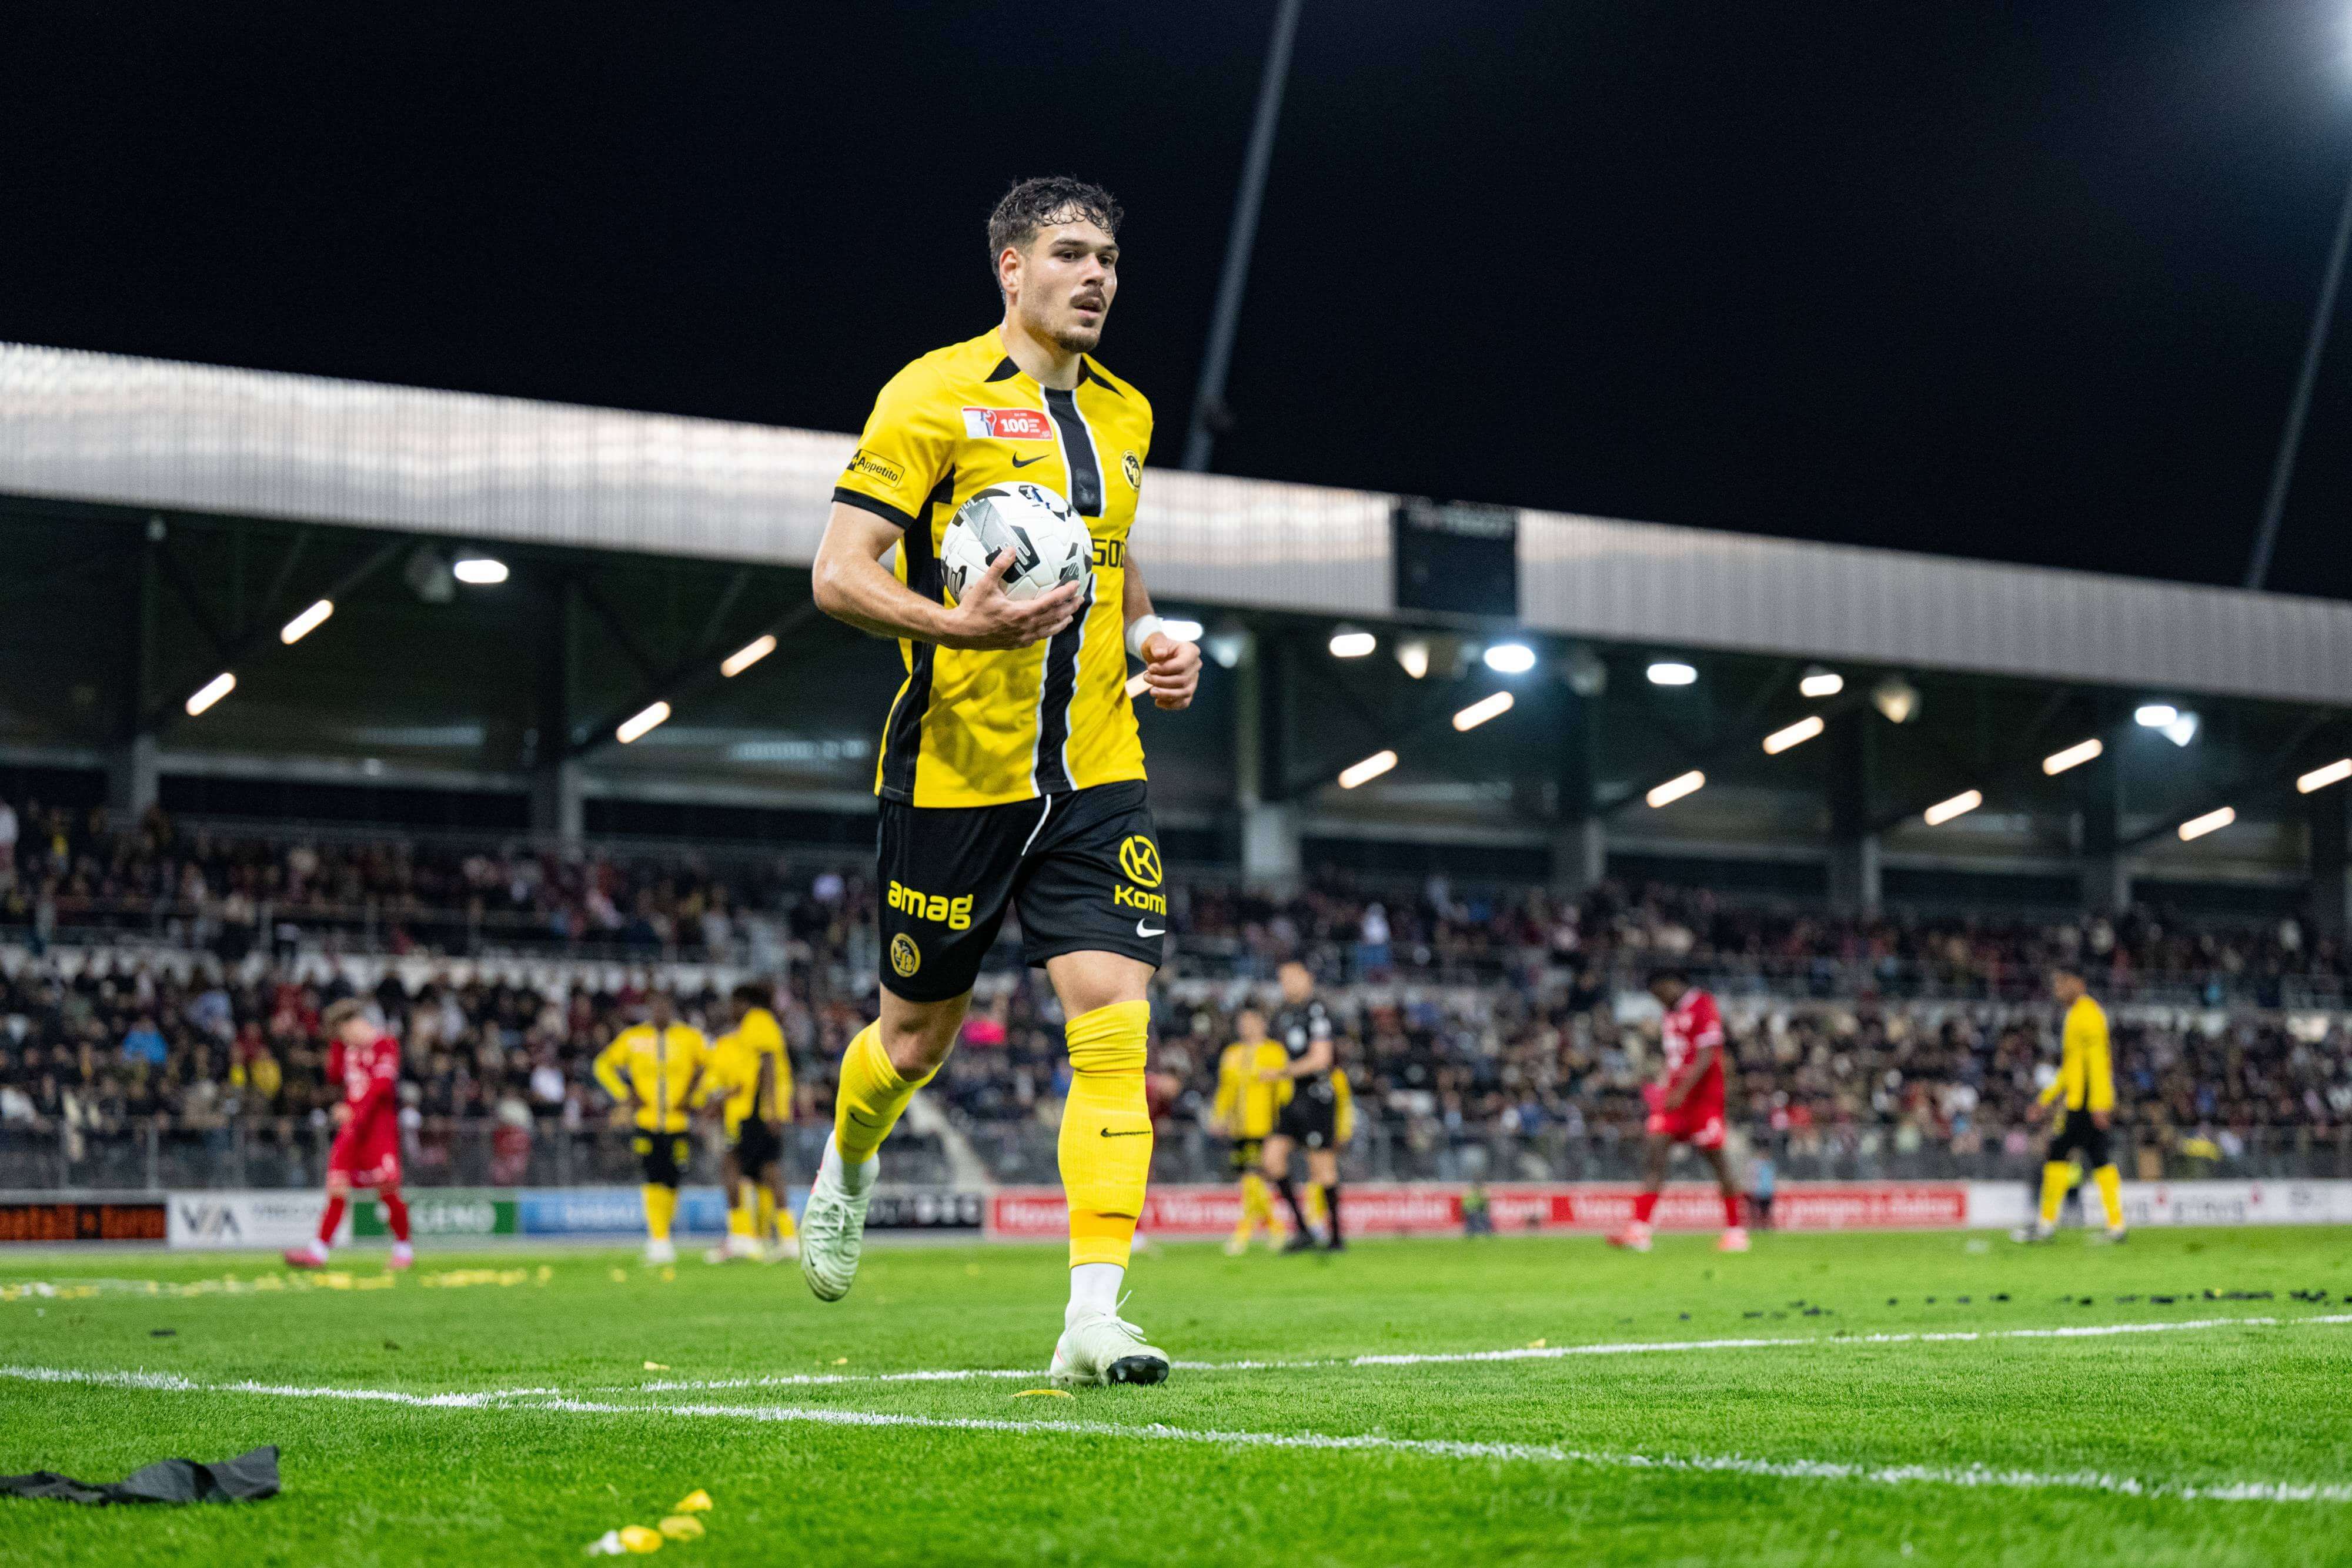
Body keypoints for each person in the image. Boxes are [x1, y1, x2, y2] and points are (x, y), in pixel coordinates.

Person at [797, 176, 1201, 1386]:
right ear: (1010, 268)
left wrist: (1150, 638)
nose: (1097, 277)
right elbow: (837, 572)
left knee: (1114, 1024)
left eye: (1109, 259)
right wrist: (957, 627)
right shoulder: (932, 394)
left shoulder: (1125, 411)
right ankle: (850, 1158)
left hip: (1097, 772)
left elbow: (1111, 558)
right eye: (1070, 254)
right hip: (955, 775)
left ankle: (1092, 1316)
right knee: (912, 1041)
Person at [1609, 967, 1748, 1253]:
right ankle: (1640, 1230)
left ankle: (1736, 1232)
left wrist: (1682, 1090)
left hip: (1704, 1100)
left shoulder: (1702, 1004)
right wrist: (1666, 1088)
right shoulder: (1669, 1015)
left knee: (1718, 1163)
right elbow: (1676, 1059)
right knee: (1654, 1154)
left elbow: (1707, 1055)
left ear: (1672, 983)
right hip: (1675, 1100)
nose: (1658, 1000)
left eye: (1659, 993)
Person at [284, 998, 412, 1271]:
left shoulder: (386, 1044)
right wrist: (338, 1043)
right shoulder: (348, 1050)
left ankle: (404, 1249)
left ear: (356, 1024)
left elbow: (381, 1087)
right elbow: (333, 1075)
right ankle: (318, 1252)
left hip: (378, 1129)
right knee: (337, 1187)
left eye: (343, 1033)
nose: (343, 1040)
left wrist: (354, 1110)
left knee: (388, 1190)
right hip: (352, 1129)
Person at [2013, 963, 2127, 1243]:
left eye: (2062, 983)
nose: (2058, 989)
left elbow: (2098, 1063)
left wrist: (2100, 1104)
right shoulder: (2076, 1014)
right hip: (2083, 1101)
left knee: (2059, 1152)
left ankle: (2046, 1226)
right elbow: (2071, 1068)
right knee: (2097, 1156)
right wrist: (2045, 1100)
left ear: (2078, 983)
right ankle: (2115, 1226)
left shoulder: (2088, 1014)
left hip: (2085, 1103)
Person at [593, 992, 710, 1265]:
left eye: (666, 1007)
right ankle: (659, 1238)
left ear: (672, 1009)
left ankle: (662, 1236)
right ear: (649, 1010)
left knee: (673, 1178)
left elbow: (710, 1067)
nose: (661, 1012)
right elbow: (602, 1066)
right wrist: (625, 1095)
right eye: (656, 1007)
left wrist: (695, 1098)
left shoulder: (690, 1038)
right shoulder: (634, 1038)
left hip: (678, 1122)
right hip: (646, 1121)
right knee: (651, 1176)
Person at [704, 981, 798, 1263]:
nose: (731, 1009)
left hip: (758, 1110)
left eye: (734, 1003)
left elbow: (767, 1064)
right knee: (762, 1171)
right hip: (757, 1110)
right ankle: (782, 1238)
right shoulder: (755, 1026)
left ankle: (746, 1238)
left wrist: (770, 1110)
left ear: (744, 1002)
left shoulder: (757, 1020)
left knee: (739, 1167)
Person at [1259, 961, 1345, 1253]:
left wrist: (1281, 1073)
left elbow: (1321, 1059)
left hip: (1317, 1096)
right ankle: (1304, 1231)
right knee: (1272, 1160)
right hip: (1294, 1096)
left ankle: (1336, 1238)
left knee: (1321, 1167)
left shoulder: (1316, 1011)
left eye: (1292, 978)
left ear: (1308, 978)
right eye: (1282, 979)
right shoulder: (1285, 1015)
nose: (1287, 985)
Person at [1212, 1007, 1289, 1255]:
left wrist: (1284, 1121)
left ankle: (1245, 1232)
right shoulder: (1232, 1054)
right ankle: (1276, 1230)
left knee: (1253, 1179)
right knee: (1250, 1180)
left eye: (1251, 1022)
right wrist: (1219, 1115)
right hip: (1239, 1127)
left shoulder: (1274, 1052)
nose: (1246, 1027)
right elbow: (1226, 1088)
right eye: (1242, 1023)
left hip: (1265, 1125)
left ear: (1263, 1024)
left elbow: (1284, 1088)